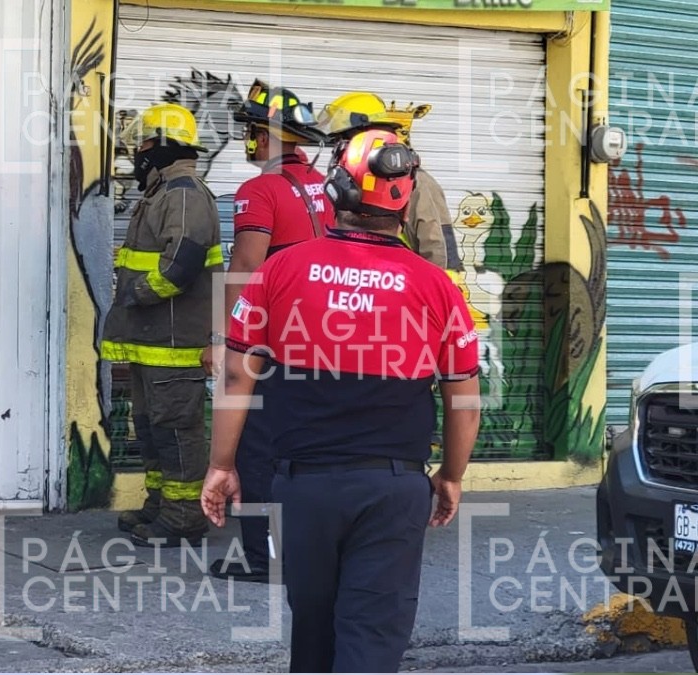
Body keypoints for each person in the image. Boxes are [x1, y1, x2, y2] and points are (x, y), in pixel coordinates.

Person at [201, 128, 481, 672]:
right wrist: (450, 475)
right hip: (393, 489)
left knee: (313, 628)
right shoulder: (437, 286)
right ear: (404, 203)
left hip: (302, 487)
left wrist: (221, 465)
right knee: (372, 635)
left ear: (336, 192)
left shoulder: (281, 269)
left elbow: (238, 375)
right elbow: (463, 398)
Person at [206, 79, 334, 584]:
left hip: (271, 343)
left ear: (266, 136)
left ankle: (264, 558)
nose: (248, 140)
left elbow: (245, 264)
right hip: (326, 340)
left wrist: (221, 340)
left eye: (252, 131)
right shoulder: (329, 187)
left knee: (256, 449)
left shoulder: (259, 189)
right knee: (310, 447)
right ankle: (312, 551)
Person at [105, 102, 222, 547]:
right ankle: (160, 504)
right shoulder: (163, 192)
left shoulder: (185, 193)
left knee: (176, 431)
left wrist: (138, 294)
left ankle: (184, 517)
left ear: (160, 146)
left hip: (174, 341)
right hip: (152, 340)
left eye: (144, 144)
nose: (138, 153)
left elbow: (182, 264)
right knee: (153, 428)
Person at [315, 91, 457, 271]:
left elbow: (434, 247)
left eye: (343, 141)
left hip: (400, 282)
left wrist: (425, 289)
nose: (339, 150)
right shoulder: (355, 178)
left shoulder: (415, 181)